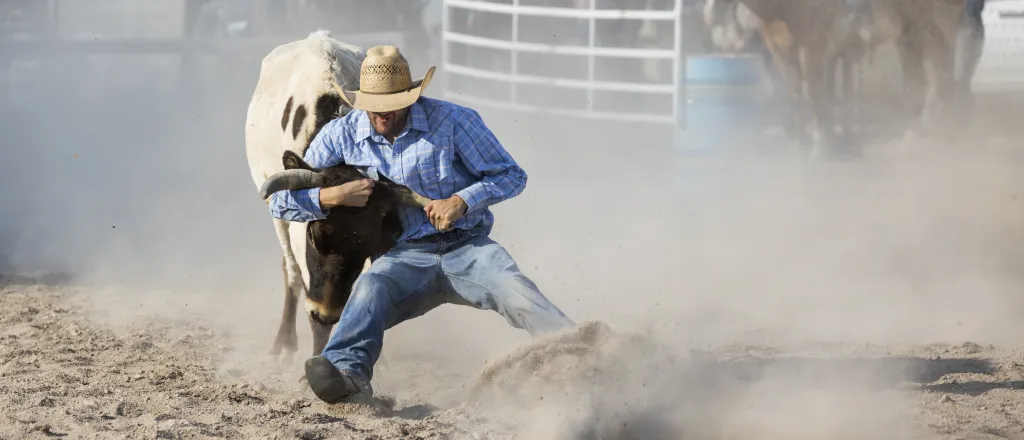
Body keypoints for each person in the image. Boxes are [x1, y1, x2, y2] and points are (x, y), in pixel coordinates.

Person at [267, 45, 576, 404]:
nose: (382, 114)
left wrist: (462, 201)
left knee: (513, 287)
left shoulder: (455, 121)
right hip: (405, 255)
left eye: (392, 104)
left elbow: (511, 175)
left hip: (467, 246)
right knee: (370, 286)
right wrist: (332, 197)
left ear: (410, 97)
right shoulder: (342, 134)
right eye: (374, 106)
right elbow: (280, 199)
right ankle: (346, 374)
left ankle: (578, 351)